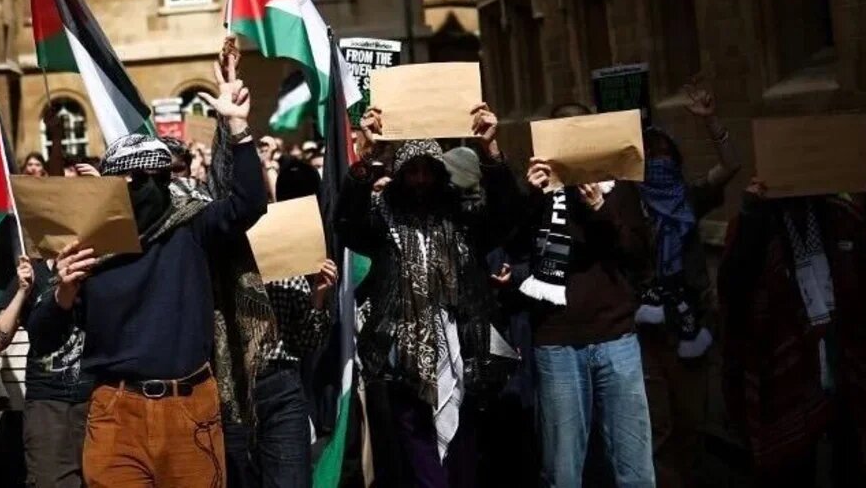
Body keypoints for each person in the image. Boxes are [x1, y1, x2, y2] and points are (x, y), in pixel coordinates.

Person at [26, 54, 266, 486]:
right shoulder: (86, 245)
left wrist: (236, 125)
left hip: (190, 408)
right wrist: (63, 292)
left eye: (151, 178)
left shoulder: (190, 225)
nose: (141, 189)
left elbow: (248, 204)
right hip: (115, 411)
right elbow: (43, 335)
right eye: (129, 181)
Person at [335, 105, 517, 487]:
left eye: (426, 171)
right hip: (403, 362)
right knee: (421, 464)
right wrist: (366, 156)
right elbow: (347, 222)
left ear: (439, 174)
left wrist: (492, 153)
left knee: (463, 461)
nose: (419, 180)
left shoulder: (463, 220)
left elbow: (505, 217)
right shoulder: (383, 223)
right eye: (411, 172)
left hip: (462, 355)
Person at [719, 164, 866, 486]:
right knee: (792, 464)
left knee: (856, 461)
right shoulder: (757, 221)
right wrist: (753, 214)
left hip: (849, 362)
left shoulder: (843, 217)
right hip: (789, 367)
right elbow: (734, 290)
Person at [501, 103, 656, 488]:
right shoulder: (538, 196)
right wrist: (533, 199)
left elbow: (639, 256)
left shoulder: (617, 188)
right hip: (557, 342)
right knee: (564, 468)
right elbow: (513, 246)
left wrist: (600, 209)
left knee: (633, 464)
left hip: (616, 336)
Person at [632, 84, 739, 488]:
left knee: (690, 425)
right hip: (645, 338)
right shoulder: (630, 203)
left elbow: (730, 165)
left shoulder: (690, 198)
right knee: (657, 428)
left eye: (663, 154)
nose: (657, 162)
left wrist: (711, 121)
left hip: (690, 324)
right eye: (649, 155)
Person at [223, 160, 337, 488]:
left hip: (281, 382)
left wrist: (317, 297)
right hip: (231, 387)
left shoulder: (289, 238)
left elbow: (306, 341)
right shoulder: (213, 238)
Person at [0, 251, 95, 488]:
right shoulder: (35, 275)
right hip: (48, 404)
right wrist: (21, 292)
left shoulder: (98, 269)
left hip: (96, 398)